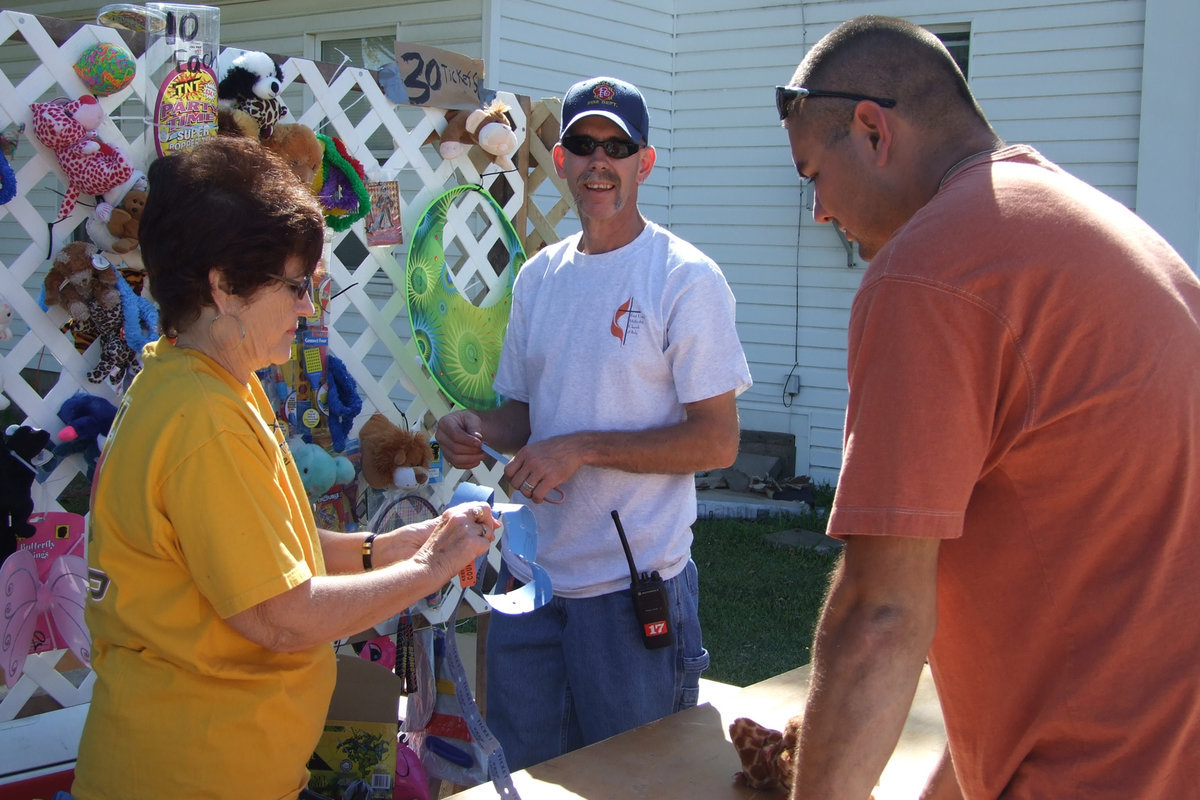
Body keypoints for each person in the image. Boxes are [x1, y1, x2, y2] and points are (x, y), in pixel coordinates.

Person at [776, 15, 1200, 800]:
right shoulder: (1102, 233)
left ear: (872, 130)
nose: (820, 214)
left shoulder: (930, 272)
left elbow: (880, 616)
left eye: (813, 177)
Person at [72, 136, 498, 800]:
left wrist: (389, 548)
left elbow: (274, 551)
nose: (307, 306)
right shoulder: (202, 420)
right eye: (296, 284)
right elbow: (281, 615)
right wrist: (429, 570)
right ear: (224, 286)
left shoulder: (205, 384)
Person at [436, 76, 752, 769]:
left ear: (645, 162)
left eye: (617, 146)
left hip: (633, 595)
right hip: (532, 587)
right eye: (582, 144)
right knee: (531, 780)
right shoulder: (539, 278)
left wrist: (580, 448)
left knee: (638, 785)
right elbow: (523, 415)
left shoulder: (683, 277)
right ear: (560, 160)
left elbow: (717, 440)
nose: (598, 161)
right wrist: (472, 427)